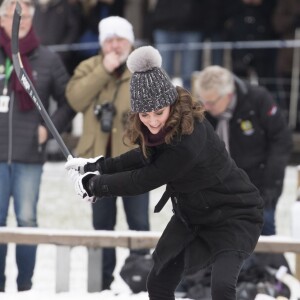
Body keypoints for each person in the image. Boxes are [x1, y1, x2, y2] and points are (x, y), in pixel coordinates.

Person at [65, 45, 264, 300]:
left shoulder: (189, 136)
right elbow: (145, 156)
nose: (153, 121)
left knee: (222, 288)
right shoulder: (159, 130)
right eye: (145, 114)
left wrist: (96, 185)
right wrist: (98, 166)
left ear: (170, 103)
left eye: (158, 112)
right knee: (158, 283)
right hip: (193, 216)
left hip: (234, 214)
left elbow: (148, 177)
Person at [65, 16, 150, 290]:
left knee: (139, 224)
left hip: (136, 161)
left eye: (120, 39)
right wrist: (103, 70)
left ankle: (141, 280)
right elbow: (75, 99)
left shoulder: (142, 71)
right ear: (102, 44)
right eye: (109, 40)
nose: (115, 46)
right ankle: (101, 284)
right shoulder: (88, 67)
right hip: (97, 164)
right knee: (102, 226)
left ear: (131, 41)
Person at [0, 0, 75, 292]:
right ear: (3, 19)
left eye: (28, 15)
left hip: (29, 156)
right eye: (15, 14)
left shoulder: (47, 58)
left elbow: (69, 101)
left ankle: (25, 286)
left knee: (27, 220)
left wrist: (49, 126)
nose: (23, 19)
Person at [194, 65, 292, 236]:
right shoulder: (203, 111)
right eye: (203, 101)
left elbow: (281, 141)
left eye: (211, 102)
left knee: (262, 238)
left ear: (229, 95)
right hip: (217, 191)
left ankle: (268, 263)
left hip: (258, 187)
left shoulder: (258, 100)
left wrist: (270, 188)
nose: (206, 106)